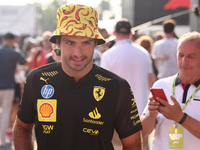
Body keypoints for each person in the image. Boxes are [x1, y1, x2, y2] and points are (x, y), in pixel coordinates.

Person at [13, 4, 142, 150]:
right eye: (70, 42)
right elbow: (22, 127)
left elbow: (132, 145)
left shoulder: (117, 86)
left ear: (95, 44)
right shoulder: (37, 79)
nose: (78, 53)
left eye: (86, 43)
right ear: (58, 43)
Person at [141, 31, 200, 150]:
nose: (184, 61)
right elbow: (142, 132)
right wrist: (151, 115)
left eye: (191, 56)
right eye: (180, 55)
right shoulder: (161, 85)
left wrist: (181, 117)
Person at [101, 18, 153, 117]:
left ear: (114, 33)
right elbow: (150, 82)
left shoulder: (108, 55)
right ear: (130, 34)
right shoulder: (144, 53)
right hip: (141, 109)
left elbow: (104, 85)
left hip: (117, 110)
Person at [0, 32, 27, 146]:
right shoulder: (14, 53)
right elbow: (25, 63)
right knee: (6, 112)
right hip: (8, 86)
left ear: (3, 40)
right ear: (12, 41)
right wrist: (16, 68)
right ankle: (1, 139)